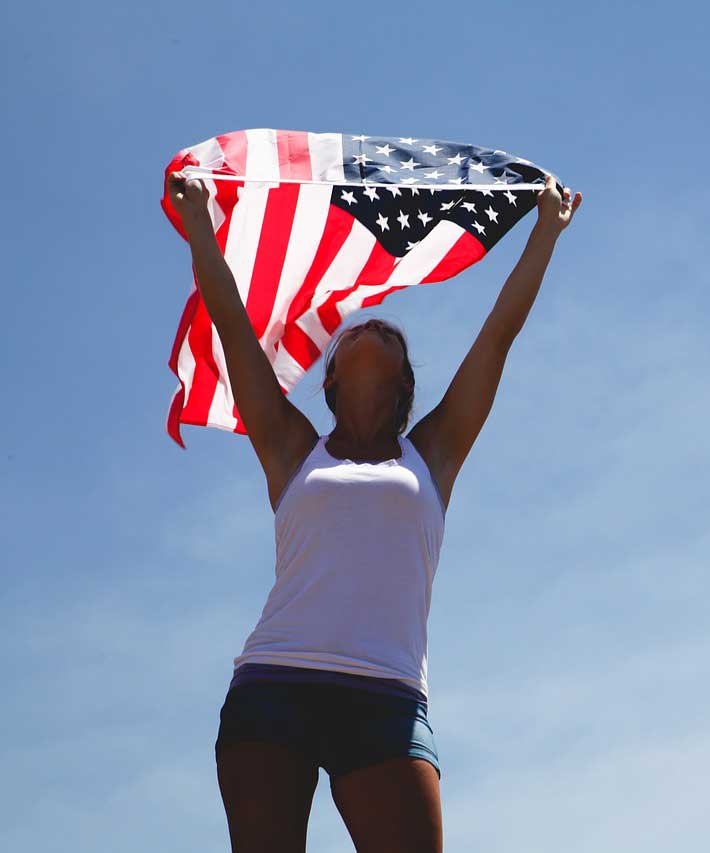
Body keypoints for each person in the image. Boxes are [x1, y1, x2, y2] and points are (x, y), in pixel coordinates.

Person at [164, 168, 583, 853]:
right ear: (328, 378)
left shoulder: (434, 453)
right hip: (276, 683)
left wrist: (545, 231)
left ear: (405, 382)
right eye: (361, 329)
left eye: (393, 334)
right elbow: (236, 332)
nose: (378, 326)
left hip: (387, 697)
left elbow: (498, 335)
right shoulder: (293, 447)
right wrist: (202, 229)